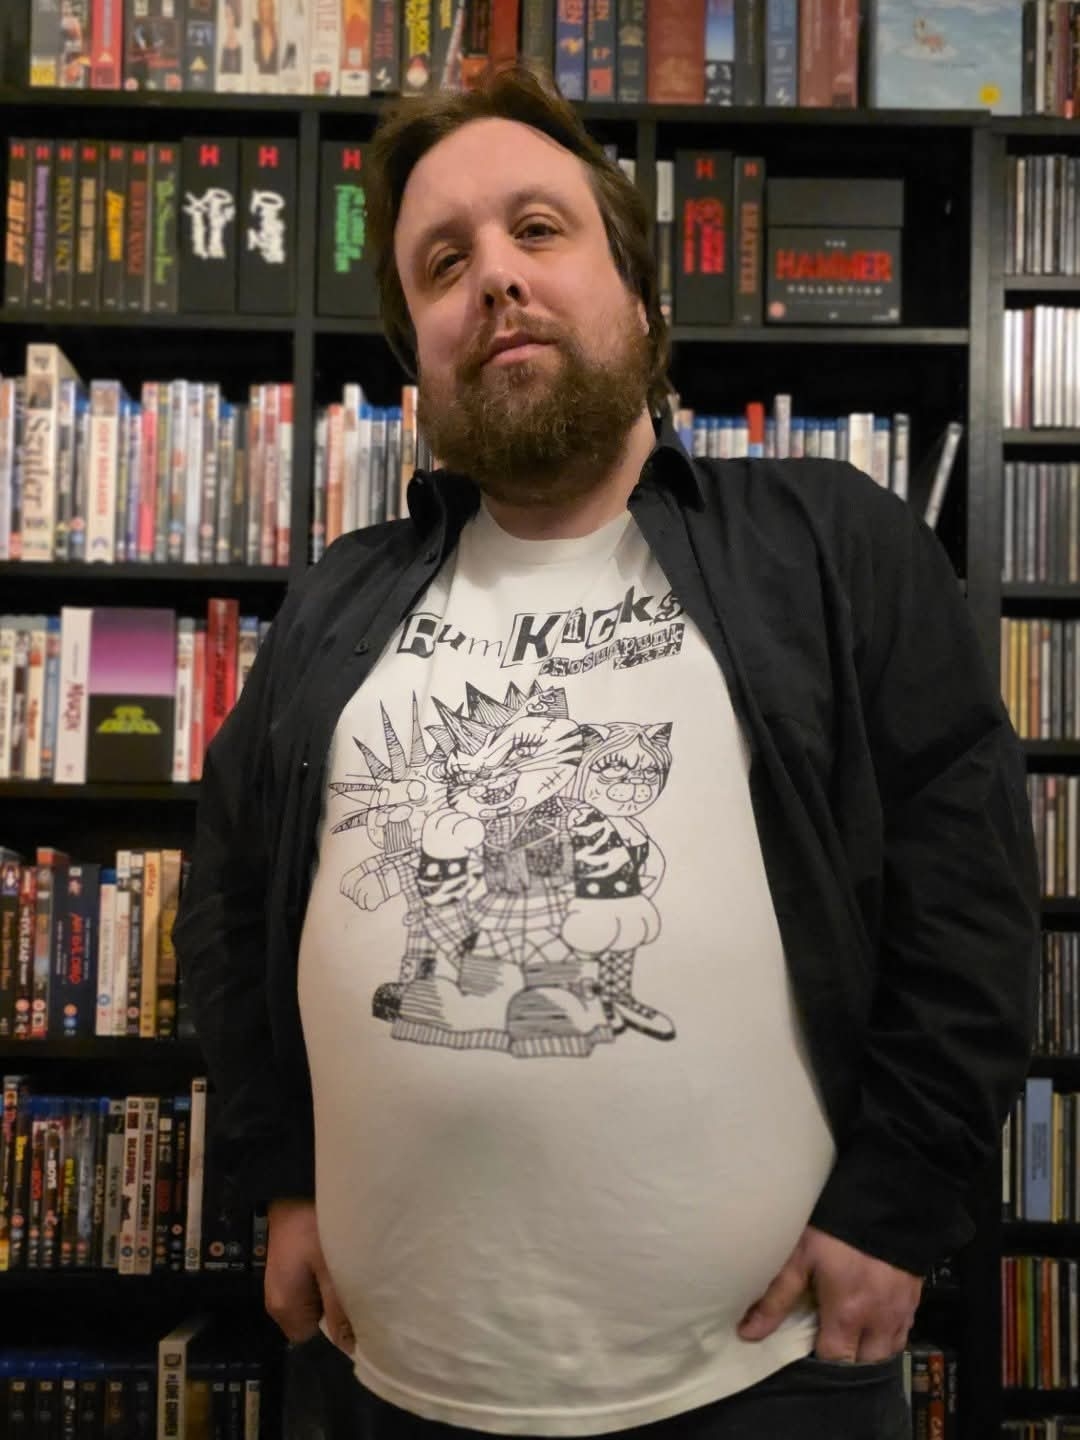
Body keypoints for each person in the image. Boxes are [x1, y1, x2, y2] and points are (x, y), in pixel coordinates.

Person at [173, 64, 1040, 1440]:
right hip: (382, 1382)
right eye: (444, 263)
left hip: (761, 1387)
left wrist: (896, 1206)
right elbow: (227, 899)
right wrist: (278, 1177)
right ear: (418, 355)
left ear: (639, 296)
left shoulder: (831, 544)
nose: (496, 279)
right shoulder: (339, 599)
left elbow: (970, 899)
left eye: (538, 229)